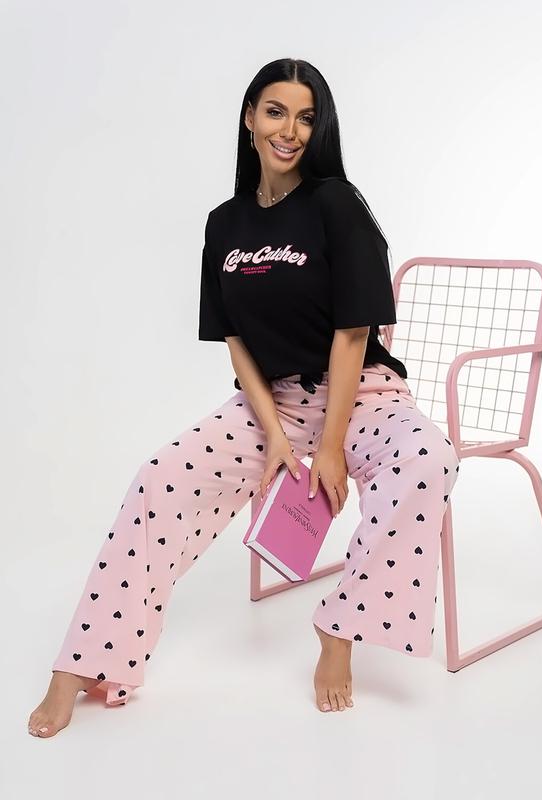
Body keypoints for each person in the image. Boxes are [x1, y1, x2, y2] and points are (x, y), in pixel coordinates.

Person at [28, 57, 460, 738]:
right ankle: (85, 662)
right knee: (161, 478)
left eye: (307, 117)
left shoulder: (335, 203)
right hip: (272, 404)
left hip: (363, 397)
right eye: (276, 111)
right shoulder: (224, 223)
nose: (290, 130)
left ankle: (340, 627)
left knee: (429, 459)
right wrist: (278, 437)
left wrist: (328, 448)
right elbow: (235, 340)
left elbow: (354, 332)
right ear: (250, 118)